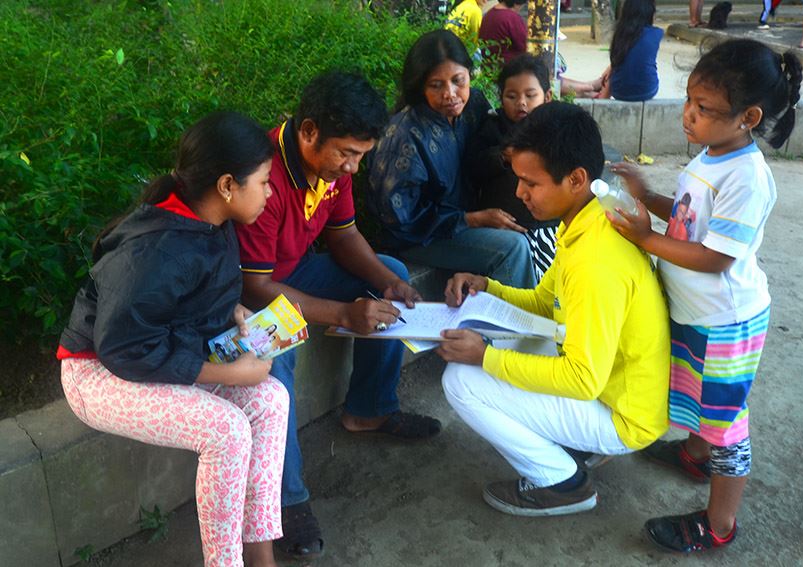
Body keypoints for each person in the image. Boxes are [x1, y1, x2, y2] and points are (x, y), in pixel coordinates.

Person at [57, 111, 288, 567]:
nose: (270, 193)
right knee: (226, 431)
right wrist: (227, 374)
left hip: (156, 352)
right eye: (264, 182)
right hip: (97, 371)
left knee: (271, 399)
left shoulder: (214, 221)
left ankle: (262, 558)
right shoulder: (155, 249)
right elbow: (124, 348)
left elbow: (187, 298)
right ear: (227, 185)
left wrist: (230, 312)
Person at [607, 39, 803, 553]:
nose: (688, 115)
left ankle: (719, 524)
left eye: (704, 107)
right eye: (689, 101)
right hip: (699, 313)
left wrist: (646, 239)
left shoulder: (747, 177)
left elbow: (717, 256)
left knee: (727, 423)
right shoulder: (713, 155)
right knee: (698, 396)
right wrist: (648, 196)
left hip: (726, 323)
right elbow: (689, 216)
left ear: (748, 118)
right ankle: (694, 456)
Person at [236, 71, 440, 561]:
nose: (352, 167)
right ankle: (284, 500)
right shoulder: (264, 174)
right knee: (275, 361)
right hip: (247, 298)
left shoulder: (331, 170)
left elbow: (344, 235)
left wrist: (388, 282)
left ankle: (369, 409)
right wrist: (345, 312)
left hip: (296, 272)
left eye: (361, 156)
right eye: (346, 154)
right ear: (308, 132)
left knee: (390, 271)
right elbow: (257, 288)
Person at [439, 101, 671, 517]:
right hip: (613, 387)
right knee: (512, 338)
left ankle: (561, 482)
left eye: (531, 182)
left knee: (461, 380)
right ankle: (575, 444)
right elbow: (545, 303)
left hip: (622, 414)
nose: (519, 193)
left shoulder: (595, 261)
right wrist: (487, 288)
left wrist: (485, 357)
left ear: (576, 179)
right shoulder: (588, 218)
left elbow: (581, 380)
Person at [368, 29, 536, 289]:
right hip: (421, 237)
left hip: (472, 218)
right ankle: (518, 316)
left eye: (458, 80)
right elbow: (401, 219)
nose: (450, 93)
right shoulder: (404, 136)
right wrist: (473, 219)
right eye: (436, 85)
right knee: (513, 247)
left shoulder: (474, 105)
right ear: (420, 86)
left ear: (469, 74)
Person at [466, 54, 557, 280]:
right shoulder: (493, 127)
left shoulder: (556, 129)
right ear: (501, 97)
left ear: (547, 97)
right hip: (506, 226)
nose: (521, 102)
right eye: (512, 96)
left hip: (549, 227)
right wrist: (502, 156)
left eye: (530, 95)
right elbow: (473, 166)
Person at [595, 0, 664, 102]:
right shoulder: (657, 34)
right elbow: (641, 57)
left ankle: (601, 99)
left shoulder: (620, 33)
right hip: (647, 90)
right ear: (650, 14)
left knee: (617, 70)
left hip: (618, 92)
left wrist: (611, 68)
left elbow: (621, 57)